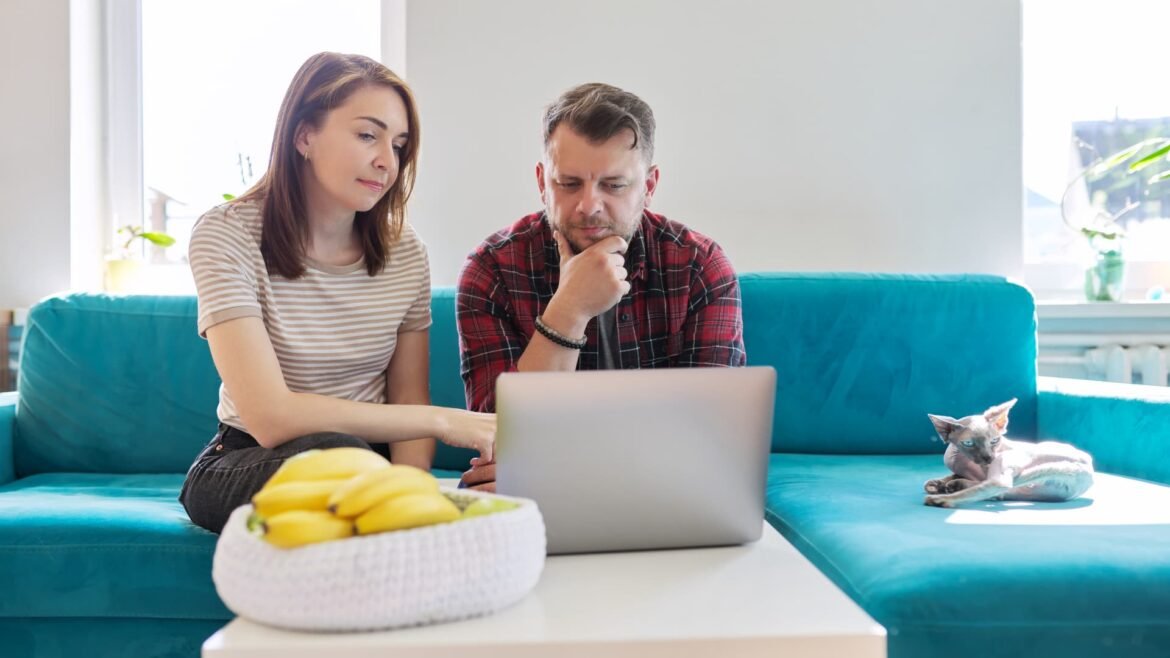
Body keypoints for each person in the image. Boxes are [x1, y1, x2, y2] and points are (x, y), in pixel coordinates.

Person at [179, 52, 494, 533]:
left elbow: (406, 395)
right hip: (250, 458)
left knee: (365, 473)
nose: (387, 161)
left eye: (400, 144)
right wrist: (442, 421)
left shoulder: (406, 253)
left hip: (370, 464)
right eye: (368, 135)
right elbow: (271, 418)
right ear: (304, 135)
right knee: (341, 458)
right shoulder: (226, 235)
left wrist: (407, 500)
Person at [456, 82, 745, 492]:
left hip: (655, 495)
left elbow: (710, 444)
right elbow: (500, 440)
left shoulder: (699, 266)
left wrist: (556, 469)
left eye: (614, 185)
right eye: (569, 183)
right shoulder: (493, 269)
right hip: (587, 492)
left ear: (650, 185)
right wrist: (569, 311)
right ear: (542, 181)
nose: (588, 206)